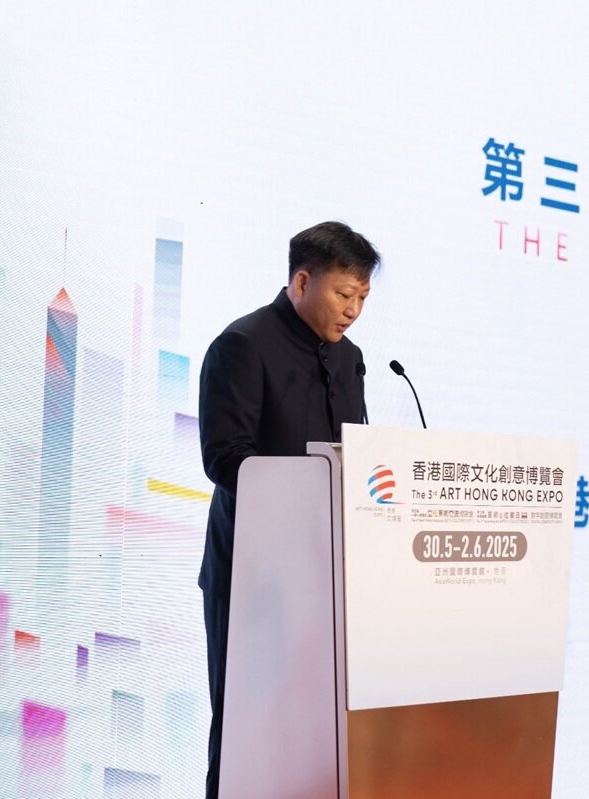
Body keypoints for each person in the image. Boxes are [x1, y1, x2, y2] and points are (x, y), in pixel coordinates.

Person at [197, 221, 380, 798]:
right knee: (246, 734)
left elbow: (356, 455)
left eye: (362, 298)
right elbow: (225, 458)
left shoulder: (350, 359)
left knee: (315, 736)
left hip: (326, 579)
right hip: (254, 578)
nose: (353, 311)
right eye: (344, 294)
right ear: (302, 282)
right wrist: (308, 488)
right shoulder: (242, 345)